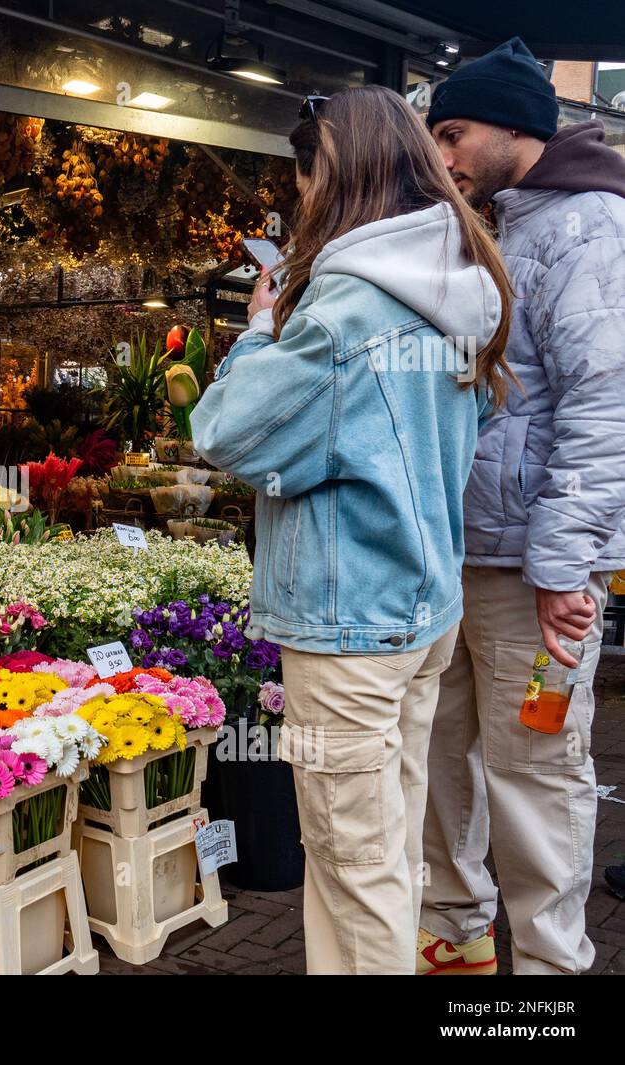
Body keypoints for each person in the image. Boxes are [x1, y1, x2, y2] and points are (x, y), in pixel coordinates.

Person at [191, 85, 513, 975]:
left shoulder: (345, 314)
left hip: (347, 628)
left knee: (355, 867)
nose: (300, 203)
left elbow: (226, 431)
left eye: (305, 181)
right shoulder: (461, 283)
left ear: (336, 176)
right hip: (420, 611)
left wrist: (259, 328)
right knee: (385, 855)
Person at [418, 37, 625, 976]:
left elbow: (606, 404)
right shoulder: (499, 220)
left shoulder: (587, 229)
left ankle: (547, 978)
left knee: (536, 779)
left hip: (526, 573)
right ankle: (457, 938)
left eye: (454, 132)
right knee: (443, 758)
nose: (443, 152)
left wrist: (561, 567)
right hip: (463, 556)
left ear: (514, 126)